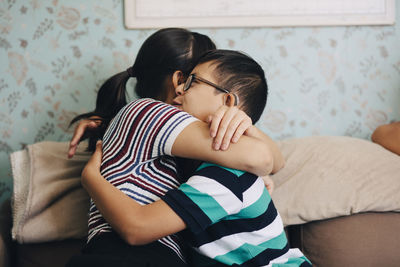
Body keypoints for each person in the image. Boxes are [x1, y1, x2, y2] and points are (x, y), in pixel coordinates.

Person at [67, 29, 284, 266]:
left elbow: (271, 163)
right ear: (178, 79)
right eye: (190, 79)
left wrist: (245, 126)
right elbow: (262, 158)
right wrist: (91, 178)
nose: (183, 89)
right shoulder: (149, 113)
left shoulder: (183, 151)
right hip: (131, 253)